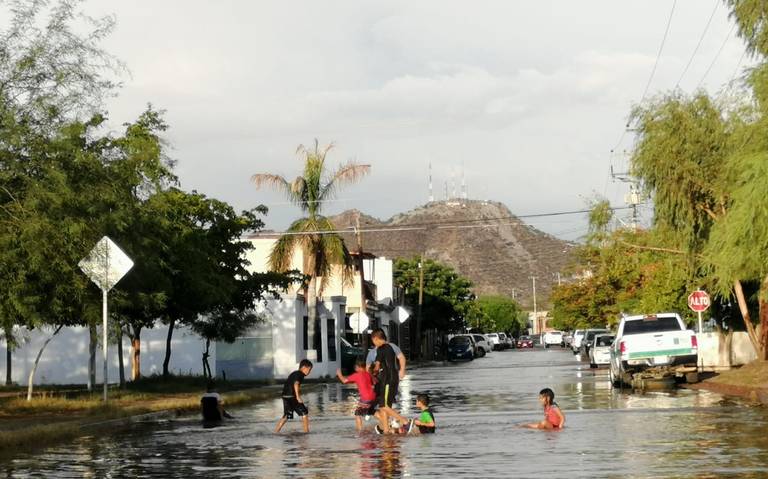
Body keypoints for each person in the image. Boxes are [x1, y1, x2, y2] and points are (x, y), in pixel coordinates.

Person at [371, 328, 410, 434]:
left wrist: (373, 373)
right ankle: (386, 430)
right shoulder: (391, 347)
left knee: (384, 406)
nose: (373, 343)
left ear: (376, 338)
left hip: (386, 380)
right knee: (384, 407)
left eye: (373, 341)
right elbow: (399, 359)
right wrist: (402, 370)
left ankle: (404, 421)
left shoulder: (380, 349)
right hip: (393, 378)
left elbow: (377, 366)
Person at [336, 359, 378, 431]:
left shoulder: (357, 375)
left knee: (357, 414)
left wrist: (339, 374)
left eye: (355, 367)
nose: (355, 369)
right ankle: (386, 421)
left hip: (366, 398)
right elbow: (375, 382)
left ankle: (360, 431)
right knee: (371, 411)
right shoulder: (368, 374)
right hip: (373, 397)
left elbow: (344, 381)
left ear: (358, 367)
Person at [275, 359, 312, 433]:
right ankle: (306, 432)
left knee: (286, 415)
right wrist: (298, 397)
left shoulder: (294, 373)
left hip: (285, 396)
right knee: (304, 412)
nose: (309, 372)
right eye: (309, 369)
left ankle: (276, 432)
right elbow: (296, 384)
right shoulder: (300, 374)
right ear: (304, 367)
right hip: (292, 396)